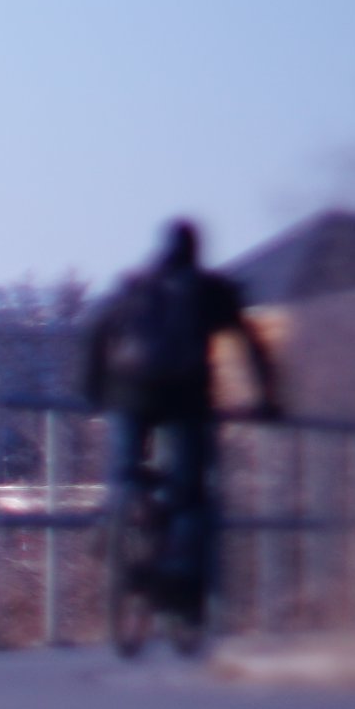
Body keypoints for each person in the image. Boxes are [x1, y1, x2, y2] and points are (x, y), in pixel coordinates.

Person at [81, 218, 282, 606]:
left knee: (125, 470)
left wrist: (93, 389)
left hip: (129, 391)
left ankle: (118, 512)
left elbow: (97, 332)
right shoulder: (210, 290)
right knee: (189, 492)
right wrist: (266, 398)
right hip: (187, 397)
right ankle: (180, 572)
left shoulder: (136, 285)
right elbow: (250, 343)